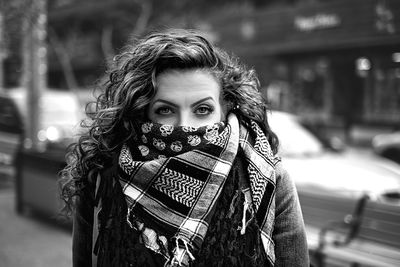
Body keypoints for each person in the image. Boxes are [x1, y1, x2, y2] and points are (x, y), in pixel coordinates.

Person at [60, 29, 309, 267]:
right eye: (165, 110)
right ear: (141, 111)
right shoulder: (102, 176)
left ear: (226, 109)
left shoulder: (267, 179)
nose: (185, 127)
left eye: (202, 110)